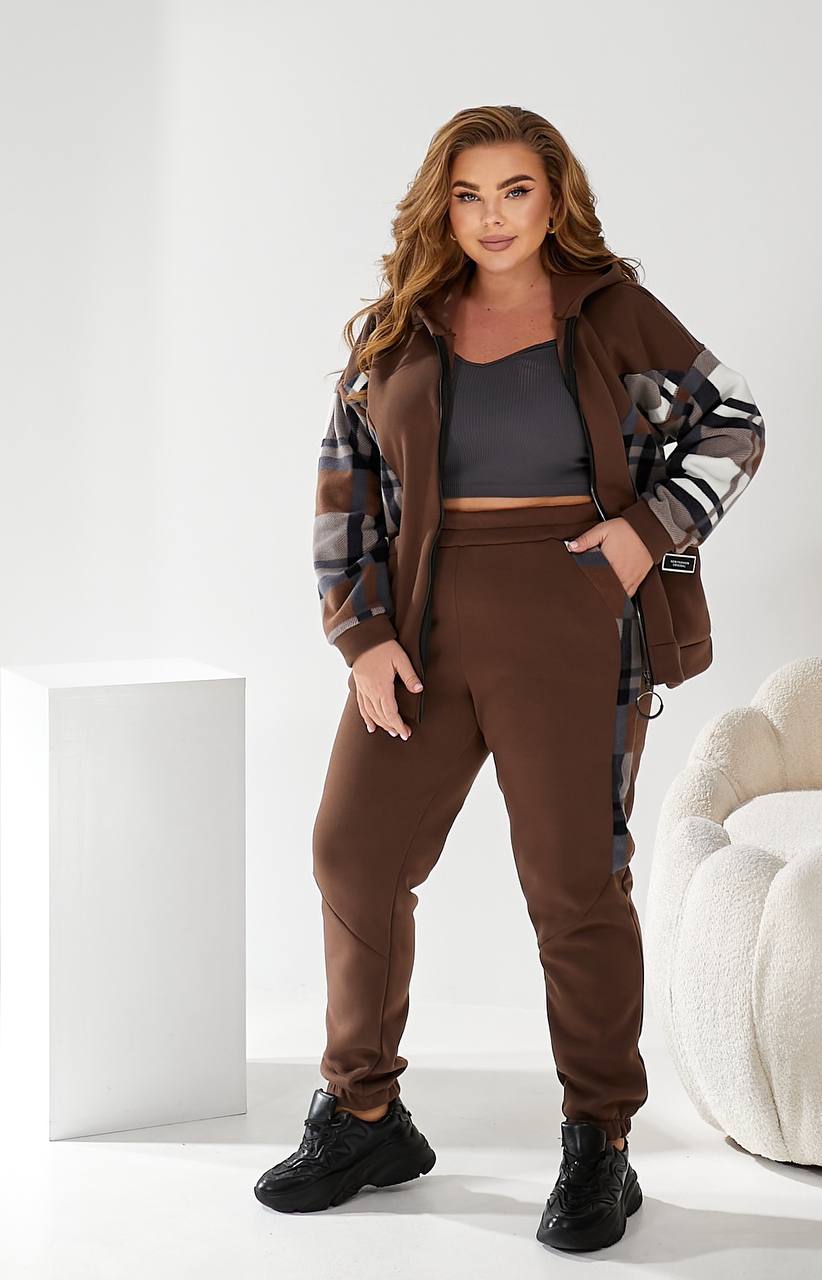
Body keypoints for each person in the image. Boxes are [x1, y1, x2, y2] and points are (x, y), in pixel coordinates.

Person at [254, 104, 765, 1251]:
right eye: (469, 194)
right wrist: (360, 633)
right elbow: (344, 485)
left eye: (515, 190)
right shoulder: (399, 326)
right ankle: (364, 1113)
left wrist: (646, 531)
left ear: (553, 197)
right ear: (441, 206)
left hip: (569, 620)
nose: (492, 216)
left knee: (572, 883)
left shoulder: (609, 310)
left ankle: (599, 1139)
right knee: (352, 849)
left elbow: (733, 421)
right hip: (421, 628)